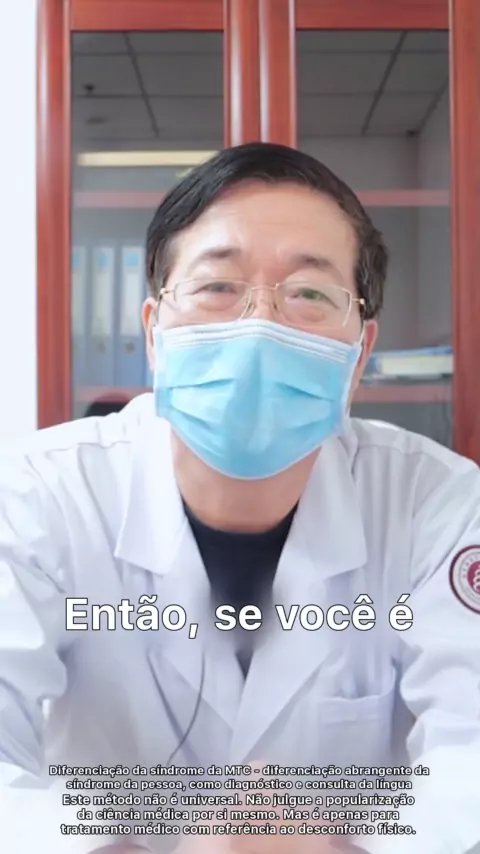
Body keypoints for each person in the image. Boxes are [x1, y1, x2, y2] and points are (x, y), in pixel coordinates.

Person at [1, 142, 480, 854]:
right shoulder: (34, 493)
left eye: (309, 294)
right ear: (154, 333)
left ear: (359, 353)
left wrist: (336, 850)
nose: (259, 326)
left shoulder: (440, 503)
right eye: (217, 286)